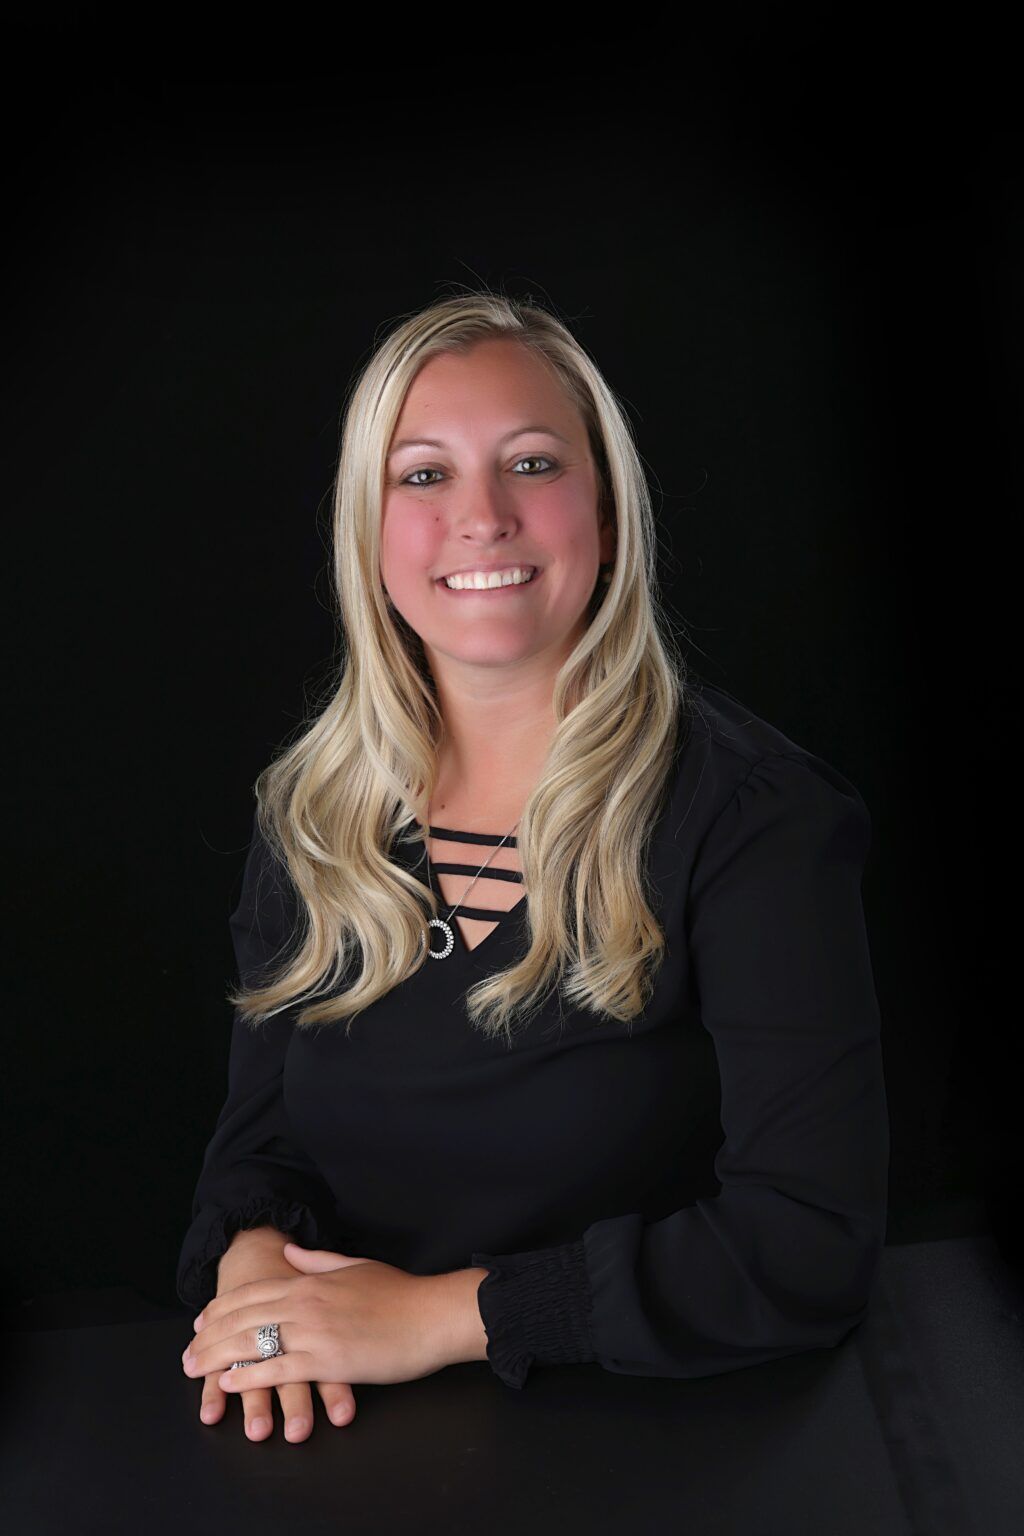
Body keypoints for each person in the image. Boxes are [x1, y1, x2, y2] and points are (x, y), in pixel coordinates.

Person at [175, 291, 890, 1445]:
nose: (482, 517)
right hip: (353, 1437)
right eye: (422, 476)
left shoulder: (755, 818)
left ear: (603, 513)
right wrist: (257, 1272)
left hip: (672, 1444)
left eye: (532, 463)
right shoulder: (313, 813)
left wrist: (433, 1319)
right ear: (367, 531)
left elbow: (808, 1244)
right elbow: (261, 1146)